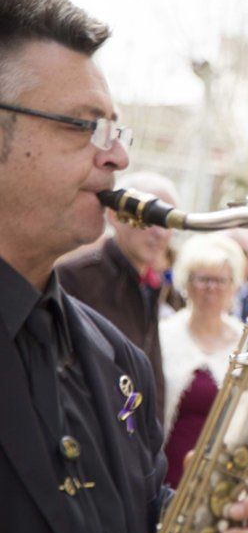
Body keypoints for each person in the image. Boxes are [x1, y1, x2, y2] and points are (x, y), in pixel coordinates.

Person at [0, 0, 248, 533]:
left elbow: (143, 512)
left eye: (114, 132)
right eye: (82, 126)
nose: (118, 160)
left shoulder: (118, 356)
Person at [160, 234, 248, 488]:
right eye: (203, 279)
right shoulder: (163, 336)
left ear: (235, 286)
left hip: (227, 486)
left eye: (221, 280)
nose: (212, 289)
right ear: (186, 282)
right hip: (164, 476)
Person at [58, 171, 181, 420]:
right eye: (151, 218)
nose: (161, 233)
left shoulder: (154, 287)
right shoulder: (74, 277)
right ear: (114, 215)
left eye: (167, 222)